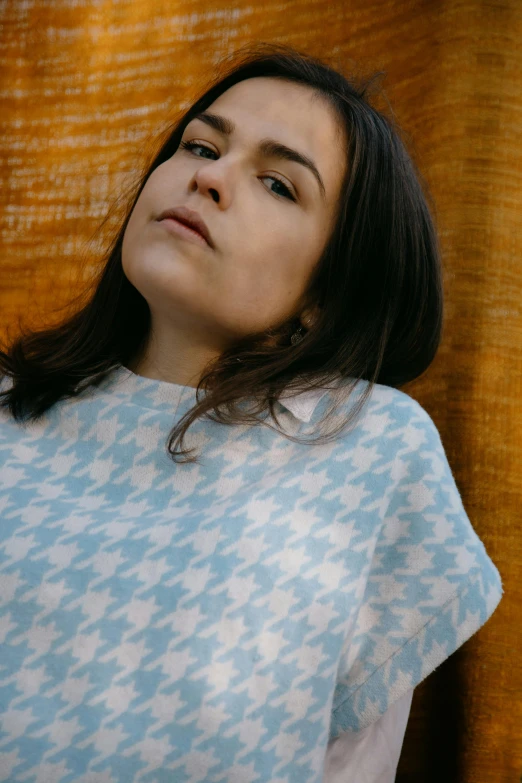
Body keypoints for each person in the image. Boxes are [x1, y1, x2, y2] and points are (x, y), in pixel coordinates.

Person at [0, 42, 503, 783]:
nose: (207, 176)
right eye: (201, 144)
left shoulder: (370, 448)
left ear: (327, 293)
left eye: (276, 183)